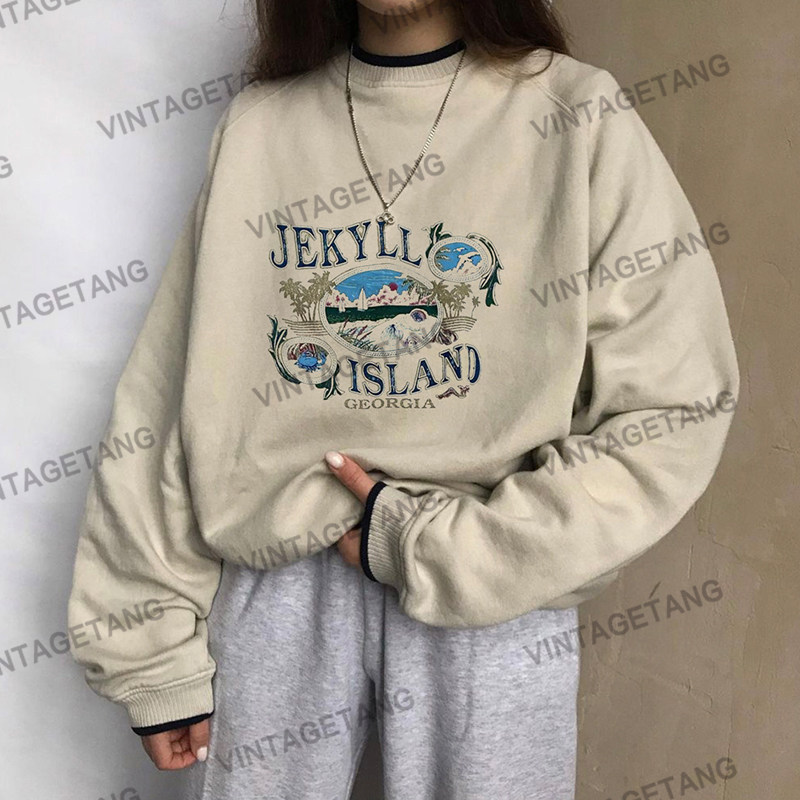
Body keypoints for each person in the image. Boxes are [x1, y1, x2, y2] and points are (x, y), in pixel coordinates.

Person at [66, 1, 740, 798]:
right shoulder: (261, 127)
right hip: (282, 574)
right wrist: (149, 651)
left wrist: (461, 550)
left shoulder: (575, 113)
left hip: (491, 572)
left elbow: (673, 406)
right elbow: (170, 396)